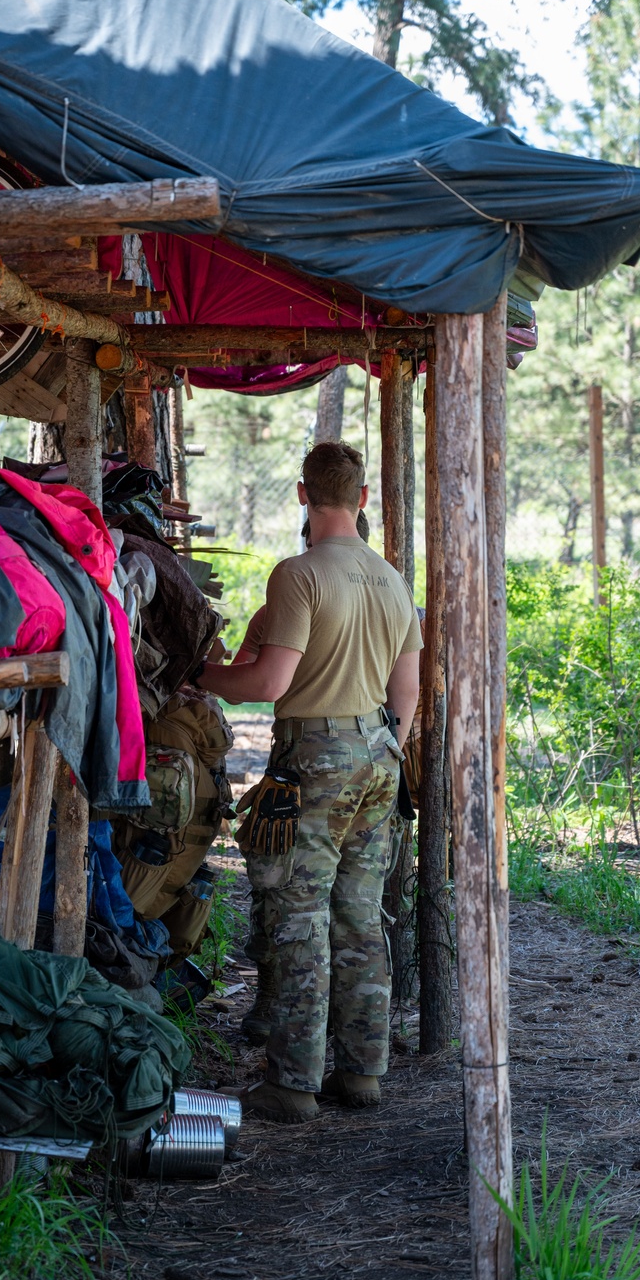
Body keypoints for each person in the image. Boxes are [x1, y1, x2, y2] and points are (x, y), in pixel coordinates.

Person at [198, 442, 421, 1122]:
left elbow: (268, 683)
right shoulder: (390, 579)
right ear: (361, 498)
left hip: (315, 757)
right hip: (381, 757)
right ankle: (362, 1071)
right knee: (359, 915)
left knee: (300, 916)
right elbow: (408, 692)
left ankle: (294, 1081)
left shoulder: (299, 575)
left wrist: (198, 674)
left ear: (303, 494)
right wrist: (378, 753)